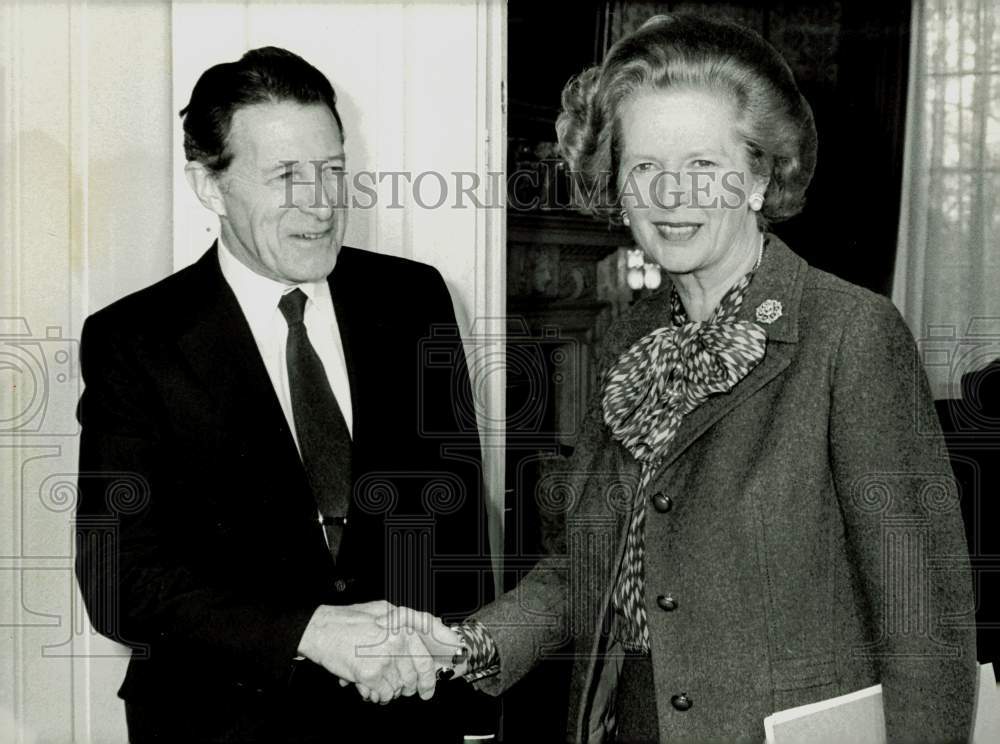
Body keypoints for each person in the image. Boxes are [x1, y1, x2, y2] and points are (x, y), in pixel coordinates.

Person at [451, 14, 978, 743]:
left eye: (703, 166)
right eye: (644, 167)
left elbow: (924, 618)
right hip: (623, 721)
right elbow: (589, 564)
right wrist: (466, 647)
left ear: (759, 176)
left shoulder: (850, 333)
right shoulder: (628, 336)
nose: (671, 195)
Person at [74, 46, 493, 743]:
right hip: (219, 722)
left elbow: (459, 527)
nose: (323, 204)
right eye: (287, 177)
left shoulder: (414, 298)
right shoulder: (134, 341)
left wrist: (476, 713)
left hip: (409, 722)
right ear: (210, 186)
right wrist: (310, 631)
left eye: (332, 170)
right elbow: (120, 575)